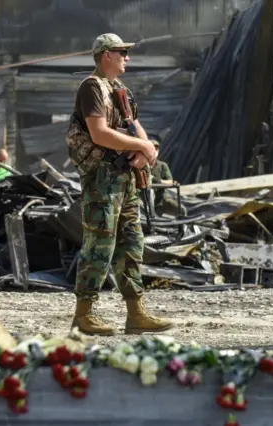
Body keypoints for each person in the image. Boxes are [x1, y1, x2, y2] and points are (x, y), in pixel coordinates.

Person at [66, 33, 173, 336]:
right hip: (102, 179)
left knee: (131, 243)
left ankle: (136, 313)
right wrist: (143, 147)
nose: (127, 57)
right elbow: (99, 134)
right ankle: (84, 315)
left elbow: (135, 129)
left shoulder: (120, 91)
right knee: (100, 244)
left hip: (124, 178)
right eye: (122, 52)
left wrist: (146, 150)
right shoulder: (92, 87)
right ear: (106, 55)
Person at [149, 140, 185, 216]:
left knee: (182, 210)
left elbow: (170, 182)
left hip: (162, 199)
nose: (155, 151)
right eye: (152, 148)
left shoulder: (162, 166)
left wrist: (156, 180)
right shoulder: (141, 165)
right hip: (146, 200)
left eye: (156, 149)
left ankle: (181, 227)